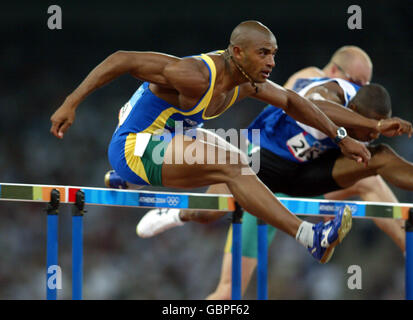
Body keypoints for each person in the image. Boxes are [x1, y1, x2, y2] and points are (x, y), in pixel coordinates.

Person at [51, 20, 384, 265]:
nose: (271, 62)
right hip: (135, 145)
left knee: (241, 158)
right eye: (263, 53)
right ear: (237, 52)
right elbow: (122, 58)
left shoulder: (247, 82)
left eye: (274, 54)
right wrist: (71, 102)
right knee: (234, 166)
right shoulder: (195, 75)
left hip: (172, 139)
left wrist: (341, 137)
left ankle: (130, 183)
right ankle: (310, 237)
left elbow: (294, 102)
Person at [131, 48, 413, 298]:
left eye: (365, 83)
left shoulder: (361, 103)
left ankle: (408, 250)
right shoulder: (317, 82)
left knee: (371, 173)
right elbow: (303, 104)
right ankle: (176, 213)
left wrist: (367, 131)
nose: (361, 86)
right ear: (336, 72)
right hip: (259, 161)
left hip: (306, 171)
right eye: (358, 80)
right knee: (227, 279)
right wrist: (367, 127)